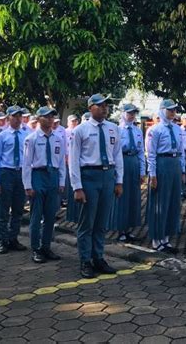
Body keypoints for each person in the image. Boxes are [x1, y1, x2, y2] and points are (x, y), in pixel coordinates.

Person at [69, 94, 123, 278]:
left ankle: (98, 257)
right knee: (87, 222)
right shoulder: (80, 130)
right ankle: (85, 260)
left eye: (106, 105)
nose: (104, 108)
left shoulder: (113, 128)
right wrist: (77, 187)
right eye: (100, 105)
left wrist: (119, 181)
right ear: (90, 107)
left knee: (102, 221)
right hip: (89, 176)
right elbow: (74, 160)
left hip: (107, 175)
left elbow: (118, 156)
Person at [23, 107, 65, 263]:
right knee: (36, 216)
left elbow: (61, 162)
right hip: (38, 176)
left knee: (50, 216)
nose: (50, 119)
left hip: (52, 177)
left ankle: (46, 247)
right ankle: (36, 248)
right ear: (39, 119)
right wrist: (28, 185)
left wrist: (61, 181)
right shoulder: (31, 139)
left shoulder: (58, 139)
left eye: (52, 117)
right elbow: (26, 164)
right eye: (46, 117)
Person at [147, 99, 185, 253]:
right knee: (160, 203)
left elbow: (181, 151)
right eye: (169, 110)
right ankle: (157, 239)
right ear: (162, 110)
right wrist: (153, 175)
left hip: (174, 163)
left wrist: (182, 171)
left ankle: (167, 238)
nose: (173, 112)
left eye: (174, 110)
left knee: (173, 202)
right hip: (162, 164)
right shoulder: (155, 130)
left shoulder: (177, 129)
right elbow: (151, 154)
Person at [0, 106, 30, 254]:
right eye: (14, 116)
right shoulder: (2, 136)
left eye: (20, 116)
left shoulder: (26, 134)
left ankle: (13, 238)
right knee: (3, 209)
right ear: (9, 118)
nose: (18, 119)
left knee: (18, 208)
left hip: (21, 173)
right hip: (6, 172)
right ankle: (2, 240)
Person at [110, 104, 145, 242]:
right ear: (123, 113)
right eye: (129, 113)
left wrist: (142, 171)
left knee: (133, 196)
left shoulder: (138, 131)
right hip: (122, 161)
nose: (132, 115)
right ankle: (120, 229)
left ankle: (129, 229)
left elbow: (141, 151)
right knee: (122, 196)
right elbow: (114, 151)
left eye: (134, 113)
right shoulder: (117, 130)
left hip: (134, 161)